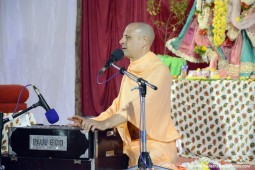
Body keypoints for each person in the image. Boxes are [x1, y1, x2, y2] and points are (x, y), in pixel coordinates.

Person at [68, 22, 180, 169]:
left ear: (144, 41)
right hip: (129, 147)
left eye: (127, 37)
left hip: (155, 147)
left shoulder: (160, 71)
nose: (121, 41)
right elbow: (118, 106)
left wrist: (106, 124)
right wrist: (92, 121)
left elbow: (138, 106)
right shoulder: (130, 72)